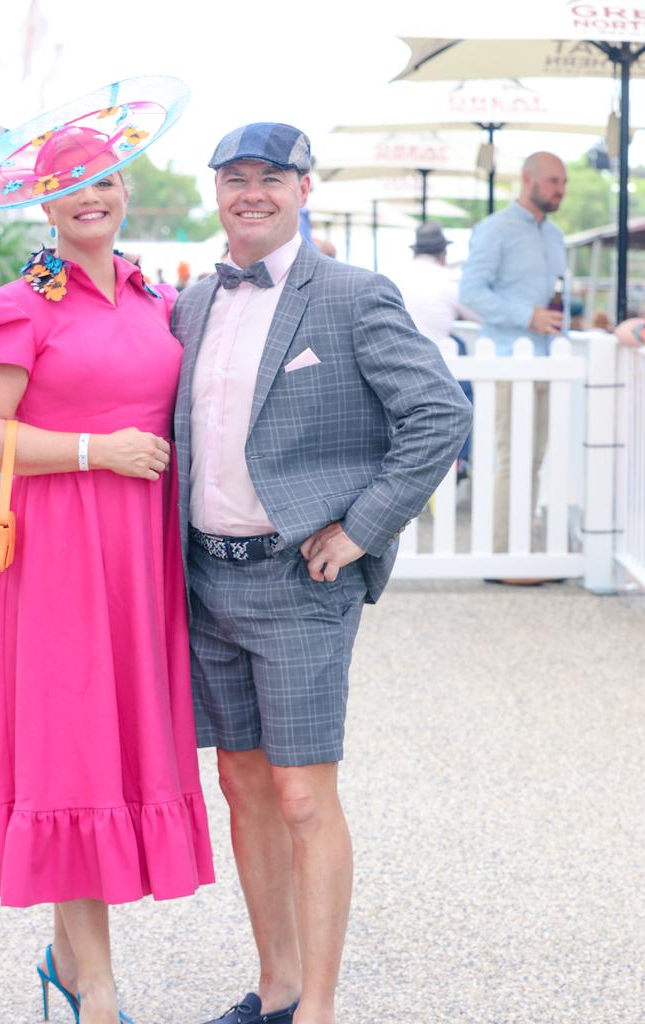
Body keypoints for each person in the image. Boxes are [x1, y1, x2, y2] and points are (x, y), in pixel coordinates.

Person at [0, 81, 213, 1024]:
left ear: (126, 192)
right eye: (70, 183)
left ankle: (64, 959)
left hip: (140, 559)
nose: (92, 194)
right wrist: (97, 451)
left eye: (106, 178)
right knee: (71, 755)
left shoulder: (156, 298)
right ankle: (98, 990)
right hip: (54, 561)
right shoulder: (15, 307)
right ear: (42, 204)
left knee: (99, 757)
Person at [171, 122, 472, 1024]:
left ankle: (320, 1011)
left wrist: (361, 527)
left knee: (303, 793)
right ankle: (278, 986)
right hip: (203, 577)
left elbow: (437, 414)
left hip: (300, 580)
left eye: (271, 177)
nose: (250, 192)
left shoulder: (351, 295)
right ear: (216, 191)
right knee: (242, 781)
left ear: (306, 187)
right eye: (233, 178)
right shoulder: (191, 303)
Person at [460, 151, 568, 564]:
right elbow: (471, 292)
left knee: (535, 457)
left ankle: (525, 545)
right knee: (512, 457)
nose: (561, 190)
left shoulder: (555, 236)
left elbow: (557, 298)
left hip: (546, 359)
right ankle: (505, 552)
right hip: (506, 359)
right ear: (528, 180)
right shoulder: (495, 229)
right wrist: (527, 317)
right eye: (554, 181)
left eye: (564, 183)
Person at [394, 221, 479, 476]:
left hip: (398, 362)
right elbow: (477, 315)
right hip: (437, 365)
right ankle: (460, 459)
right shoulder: (448, 278)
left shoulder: (397, 275)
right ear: (443, 254)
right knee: (466, 400)